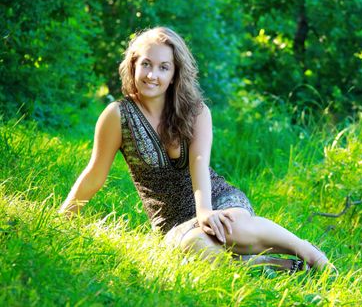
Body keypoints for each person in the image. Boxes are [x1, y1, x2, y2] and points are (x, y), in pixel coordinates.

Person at [59, 26, 335, 273]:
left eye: (163, 67)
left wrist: (205, 211)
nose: (152, 75)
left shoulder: (196, 111)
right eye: (146, 64)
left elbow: (199, 161)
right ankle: (264, 264)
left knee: (232, 228)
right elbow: (95, 172)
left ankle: (307, 251)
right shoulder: (117, 115)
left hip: (215, 198)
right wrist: (63, 217)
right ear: (133, 66)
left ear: (175, 73)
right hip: (171, 220)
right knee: (195, 245)